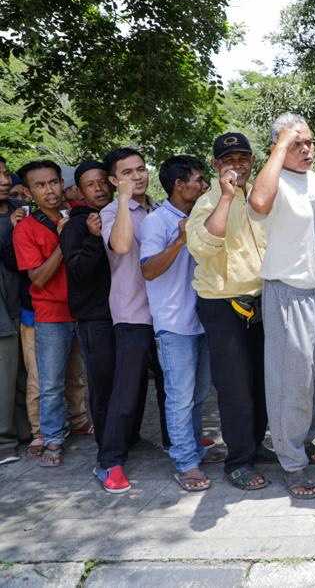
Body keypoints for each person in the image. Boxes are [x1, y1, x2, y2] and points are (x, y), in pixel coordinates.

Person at [248, 112, 315, 500]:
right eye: (296, 144)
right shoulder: (273, 182)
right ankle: (291, 463)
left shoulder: (314, 178)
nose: (307, 150)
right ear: (278, 148)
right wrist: (279, 148)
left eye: (309, 142)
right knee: (293, 385)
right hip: (288, 294)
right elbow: (257, 203)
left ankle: (301, 440)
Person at [187, 132, 273, 491]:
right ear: (216, 165)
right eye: (229, 160)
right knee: (235, 386)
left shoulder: (261, 196)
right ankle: (238, 460)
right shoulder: (207, 203)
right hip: (223, 305)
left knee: (263, 381)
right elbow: (204, 247)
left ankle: (254, 444)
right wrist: (225, 196)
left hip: (263, 299)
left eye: (243, 158)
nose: (237, 165)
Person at [140, 156, 217, 492]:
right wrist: (181, 240)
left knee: (199, 394)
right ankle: (185, 463)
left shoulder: (201, 216)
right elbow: (148, 269)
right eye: (198, 180)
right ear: (178, 185)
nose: (204, 186)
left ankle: (194, 450)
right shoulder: (157, 221)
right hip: (173, 324)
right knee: (180, 396)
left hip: (203, 319)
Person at [97, 147, 169, 494]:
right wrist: (124, 201)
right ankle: (109, 461)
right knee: (126, 391)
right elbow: (122, 246)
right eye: (127, 173)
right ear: (113, 181)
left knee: (173, 385)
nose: (138, 176)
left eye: (141, 169)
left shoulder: (157, 208)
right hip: (132, 313)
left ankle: (176, 441)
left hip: (165, 312)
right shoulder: (112, 211)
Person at [12, 160, 93, 467]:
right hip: (51, 313)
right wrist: (64, 239)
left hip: (84, 309)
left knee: (78, 377)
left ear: (62, 183)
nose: (49, 190)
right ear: (29, 192)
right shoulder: (26, 229)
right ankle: (52, 439)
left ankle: (79, 422)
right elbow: (38, 278)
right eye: (40, 185)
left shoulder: (79, 214)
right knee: (50, 381)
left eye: (53, 182)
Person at [60, 161, 115, 458]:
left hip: (124, 312)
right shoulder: (76, 226)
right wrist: (94, 239)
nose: (99, 188)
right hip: (95, 316)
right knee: (102, 382)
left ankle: (126, 437)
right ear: (79, 191)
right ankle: (107, 446)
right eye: (90, 184)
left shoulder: (119, 215)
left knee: (125, 381)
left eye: (102, 181)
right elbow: (78, 270)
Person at [0, 156, 26, 465]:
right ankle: (4, 439)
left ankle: (23, 431)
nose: (5, 180)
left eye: (6, 174)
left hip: (21, 303)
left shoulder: (17, 213)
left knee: (22, 372)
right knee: (4, 373)